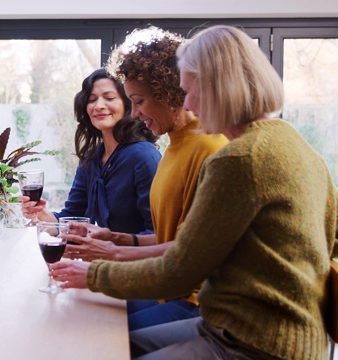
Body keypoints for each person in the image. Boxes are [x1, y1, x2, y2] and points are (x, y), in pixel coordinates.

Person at [51, 24, 338, 359]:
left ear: (219, 88)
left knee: (103, 348)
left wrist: (95, 273)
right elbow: (330, 239)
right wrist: (117, 243)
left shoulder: (239, 158)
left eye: (189, 92)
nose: (185, 102)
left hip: (257, 342)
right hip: (252, 330)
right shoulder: (298, 145)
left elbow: (178, 272)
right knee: (111, 347)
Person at [62, 27, 228, 331]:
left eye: (138, 101)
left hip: (193, 301)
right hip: (166, 289)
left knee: (100, 334)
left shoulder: (209, 148)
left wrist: (113, 254)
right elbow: (171, 236)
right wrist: (117, 239)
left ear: (169, 91)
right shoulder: (175, 145)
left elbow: (189, 251)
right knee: (78, 315)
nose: (134, 113)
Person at [20, 68, 161, 235]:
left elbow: (159, 234)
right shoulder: (91, 158)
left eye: (109, 98)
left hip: (135, 260)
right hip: (101, 258)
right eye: (92, 99)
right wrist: (40, 213)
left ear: (128, 104)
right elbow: (72, 218)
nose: (99, 106)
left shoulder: (143, 156)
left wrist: (112, 246)